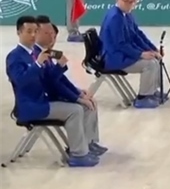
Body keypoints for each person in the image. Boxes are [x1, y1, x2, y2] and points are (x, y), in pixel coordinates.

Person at [5, 16, 103, 167]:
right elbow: (21, 81)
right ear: (19, 32)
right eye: (29, 31)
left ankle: (86, 145)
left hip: (44, 100)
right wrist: (38, 64)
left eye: (35, 31)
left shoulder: (37, 54)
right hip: (32, 106)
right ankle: (78, 154)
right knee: (75, 110)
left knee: (84, 107)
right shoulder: (15, 57)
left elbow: (50, 79)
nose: (33, 35)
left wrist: (61, 69)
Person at [33, 15, 105, 155]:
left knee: (90, 102)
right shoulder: (37, 55)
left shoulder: (48, 52)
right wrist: (77, 98)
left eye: (53, 34)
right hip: (45, 99)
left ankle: (90, 142)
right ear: (36, 33)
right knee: (82, 107)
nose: (52, 38)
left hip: (52, 95)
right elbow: (52, 83)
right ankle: (79, 149)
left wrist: (78, 92)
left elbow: (61, 79)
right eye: (47, 33)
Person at [98, 0, 163, 109]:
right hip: (115, 57)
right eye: (126, 1)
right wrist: (141, 54)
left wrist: (152, 49)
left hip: (123, 53)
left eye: (132, 2)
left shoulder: (127, 14)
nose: (129, 4)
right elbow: (120, 45)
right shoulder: (115, 17)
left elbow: (136, 34)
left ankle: (152, 91)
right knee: (149, 64)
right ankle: (143, 97)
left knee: (155, 59)